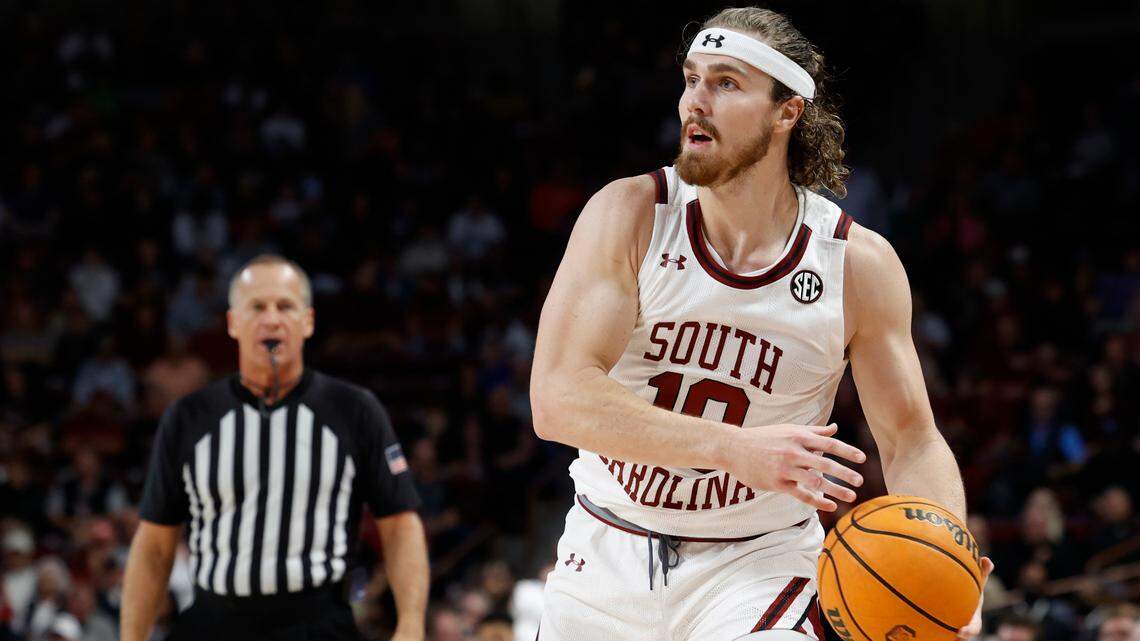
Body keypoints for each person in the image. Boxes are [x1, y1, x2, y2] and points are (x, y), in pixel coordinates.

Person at [530, 7, 991, 641]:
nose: (696, 100)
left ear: (786, 112)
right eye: (692, 78)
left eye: (726, 83)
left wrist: (948, 566)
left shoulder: (856, 264)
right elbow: (558, 399)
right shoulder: (631, 214)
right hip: (607, 544)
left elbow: (910, 438)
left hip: (759, 561)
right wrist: (729, 448)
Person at [120, 254, 429, 640]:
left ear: (308, 321)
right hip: (213, 621)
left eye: (285, 306)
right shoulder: (189, 417)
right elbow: (154, 545)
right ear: (233, 323)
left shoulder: (354, 410)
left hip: (317, 622)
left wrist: (412, 623)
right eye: (257, 307)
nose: (271, 318)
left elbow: (400, 525)